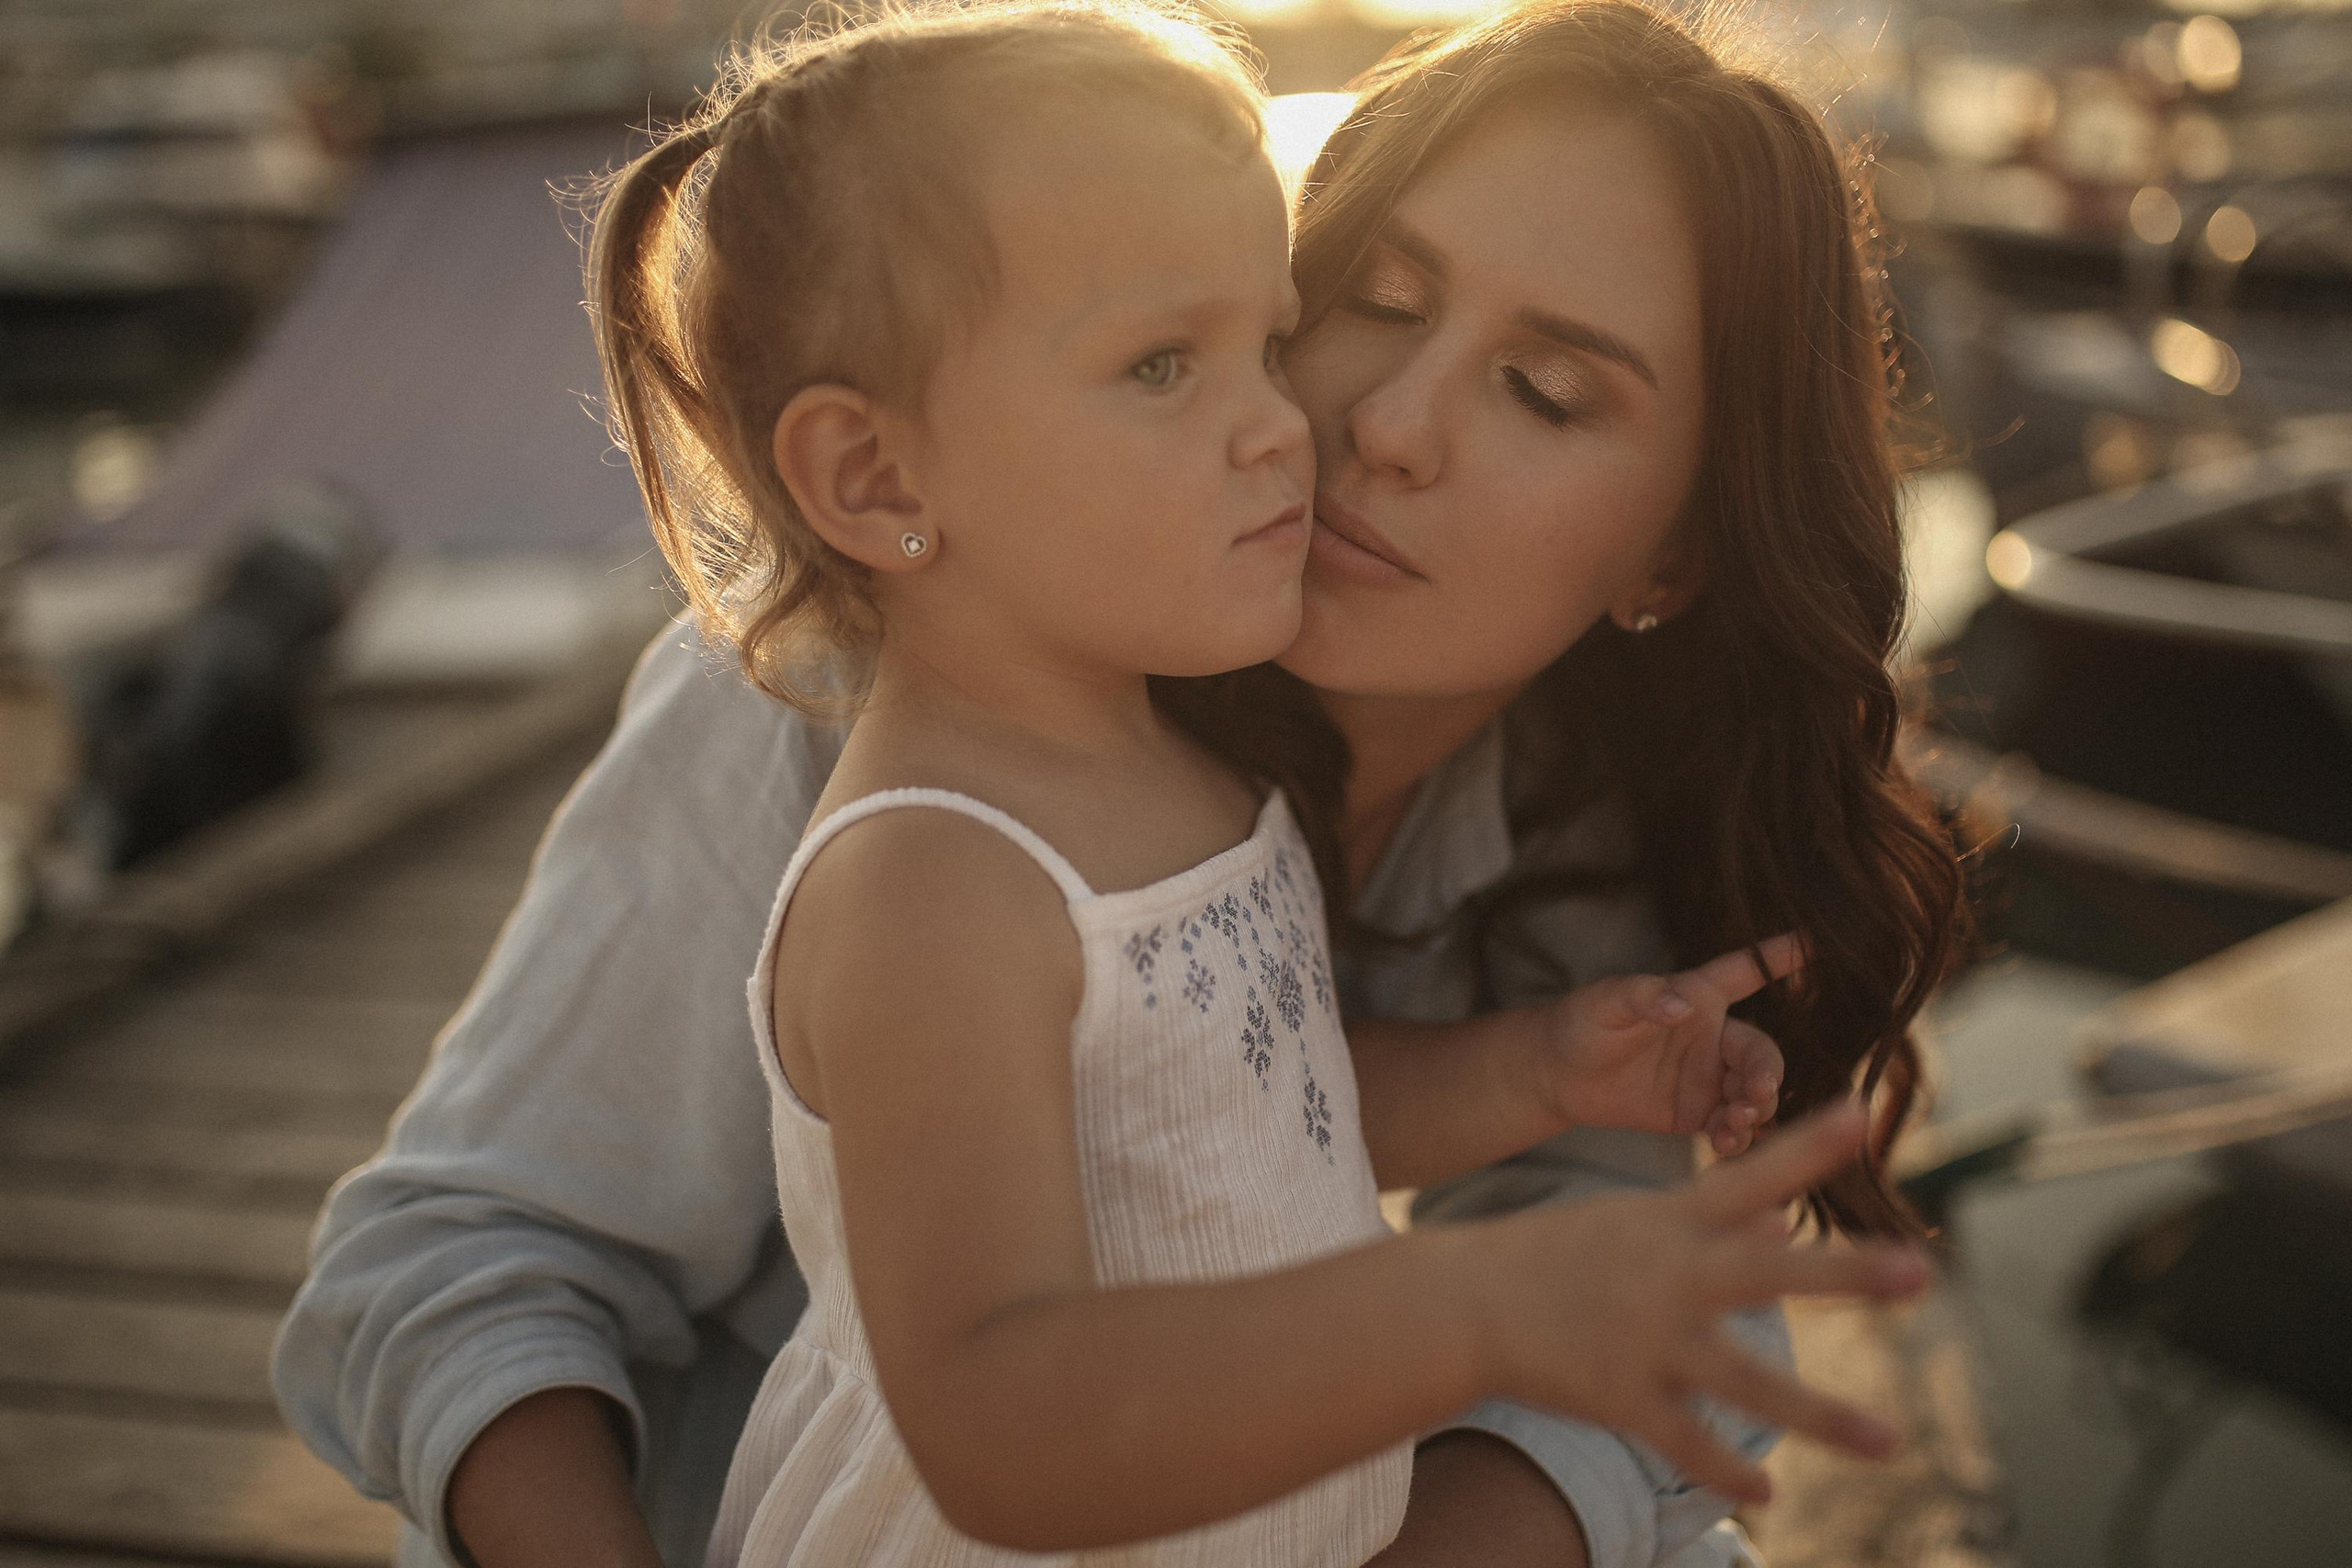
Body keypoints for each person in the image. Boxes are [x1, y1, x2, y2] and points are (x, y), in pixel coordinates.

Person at [273, 1, 1969, 1564]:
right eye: (1376, 302)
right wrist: (1480, 1306)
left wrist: (1535, 1083)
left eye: (1545, 390)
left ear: (1672, 554)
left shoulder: (1592, 794)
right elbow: (463, 1264)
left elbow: (1604, 1279)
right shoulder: (882, 726)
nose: (1379, 423)